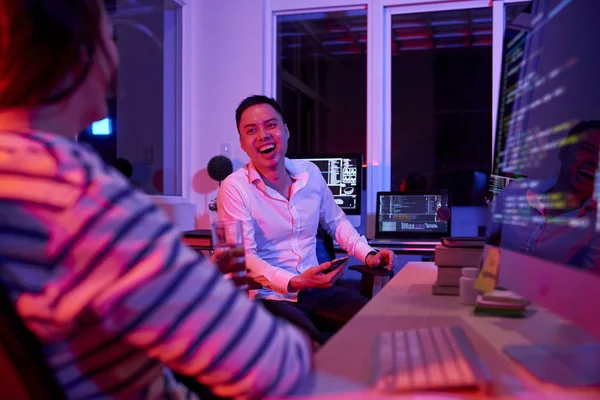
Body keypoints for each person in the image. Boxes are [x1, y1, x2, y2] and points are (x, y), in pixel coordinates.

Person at [0, 1, 311, 399]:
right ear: (79, 54)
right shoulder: (76, 193)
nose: (115, 52)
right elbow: (273, 367)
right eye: (108, 36)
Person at [217, 95, 395, 342]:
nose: (263, 135)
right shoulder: (234, 188)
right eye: (251, 130)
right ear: (243, 143)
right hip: (269, 298)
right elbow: (244, 257)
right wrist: (293, 281)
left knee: (383, 326)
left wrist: (368, 254)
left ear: (286, 131)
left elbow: (337, 223)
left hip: (317, 290)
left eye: (271, 125)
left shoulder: (309, 173)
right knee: (310, 349)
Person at [487, 120, 600, 272]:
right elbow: (485, 242)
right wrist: (487, 287)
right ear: (564, 151)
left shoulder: (595, 224)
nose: (595, 162)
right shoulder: (516, 190)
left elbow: (587, 289)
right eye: (586, 149)